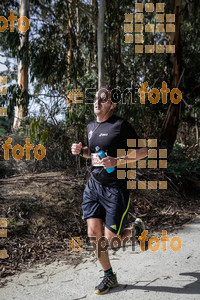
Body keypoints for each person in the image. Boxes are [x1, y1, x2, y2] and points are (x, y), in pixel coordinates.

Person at [71, 87, 148, 295]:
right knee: (93, 234)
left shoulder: (120, 126)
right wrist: (81, 151)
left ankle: (136, 230)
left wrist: (118, 160)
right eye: (96, 99)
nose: (97, 102)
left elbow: (143, 151)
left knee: (112, 240)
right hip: (94, 186)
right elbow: (93, 153)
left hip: (116, 189)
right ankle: (109, 276)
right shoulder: (90, 126)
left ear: (112, 105)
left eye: (103, 100)